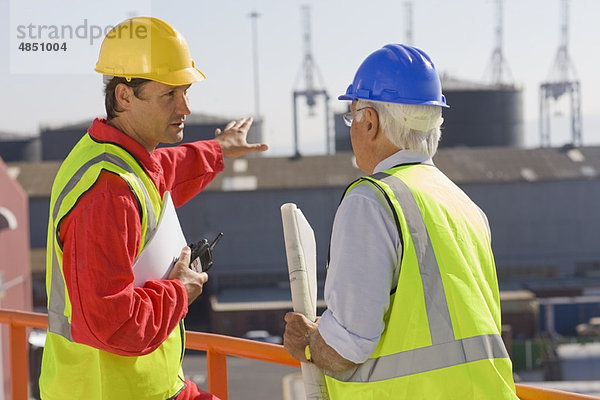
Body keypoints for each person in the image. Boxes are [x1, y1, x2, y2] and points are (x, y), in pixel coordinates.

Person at [39, 16, 267, 400]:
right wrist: (180, 289)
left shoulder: (119, 158)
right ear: (124, 96)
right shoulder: (109, 193)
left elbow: (167, 172)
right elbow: (114, 324)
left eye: (186, 92)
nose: (186, 108)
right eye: (170, 95)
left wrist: (219, 149)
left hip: (145, 387)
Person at [283, 44, 518, 399]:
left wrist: (310, 341)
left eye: (351, 118)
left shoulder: (372, 200)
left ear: (371, 122)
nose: (352, 130)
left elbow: (347, 346)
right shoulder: (463, 204)